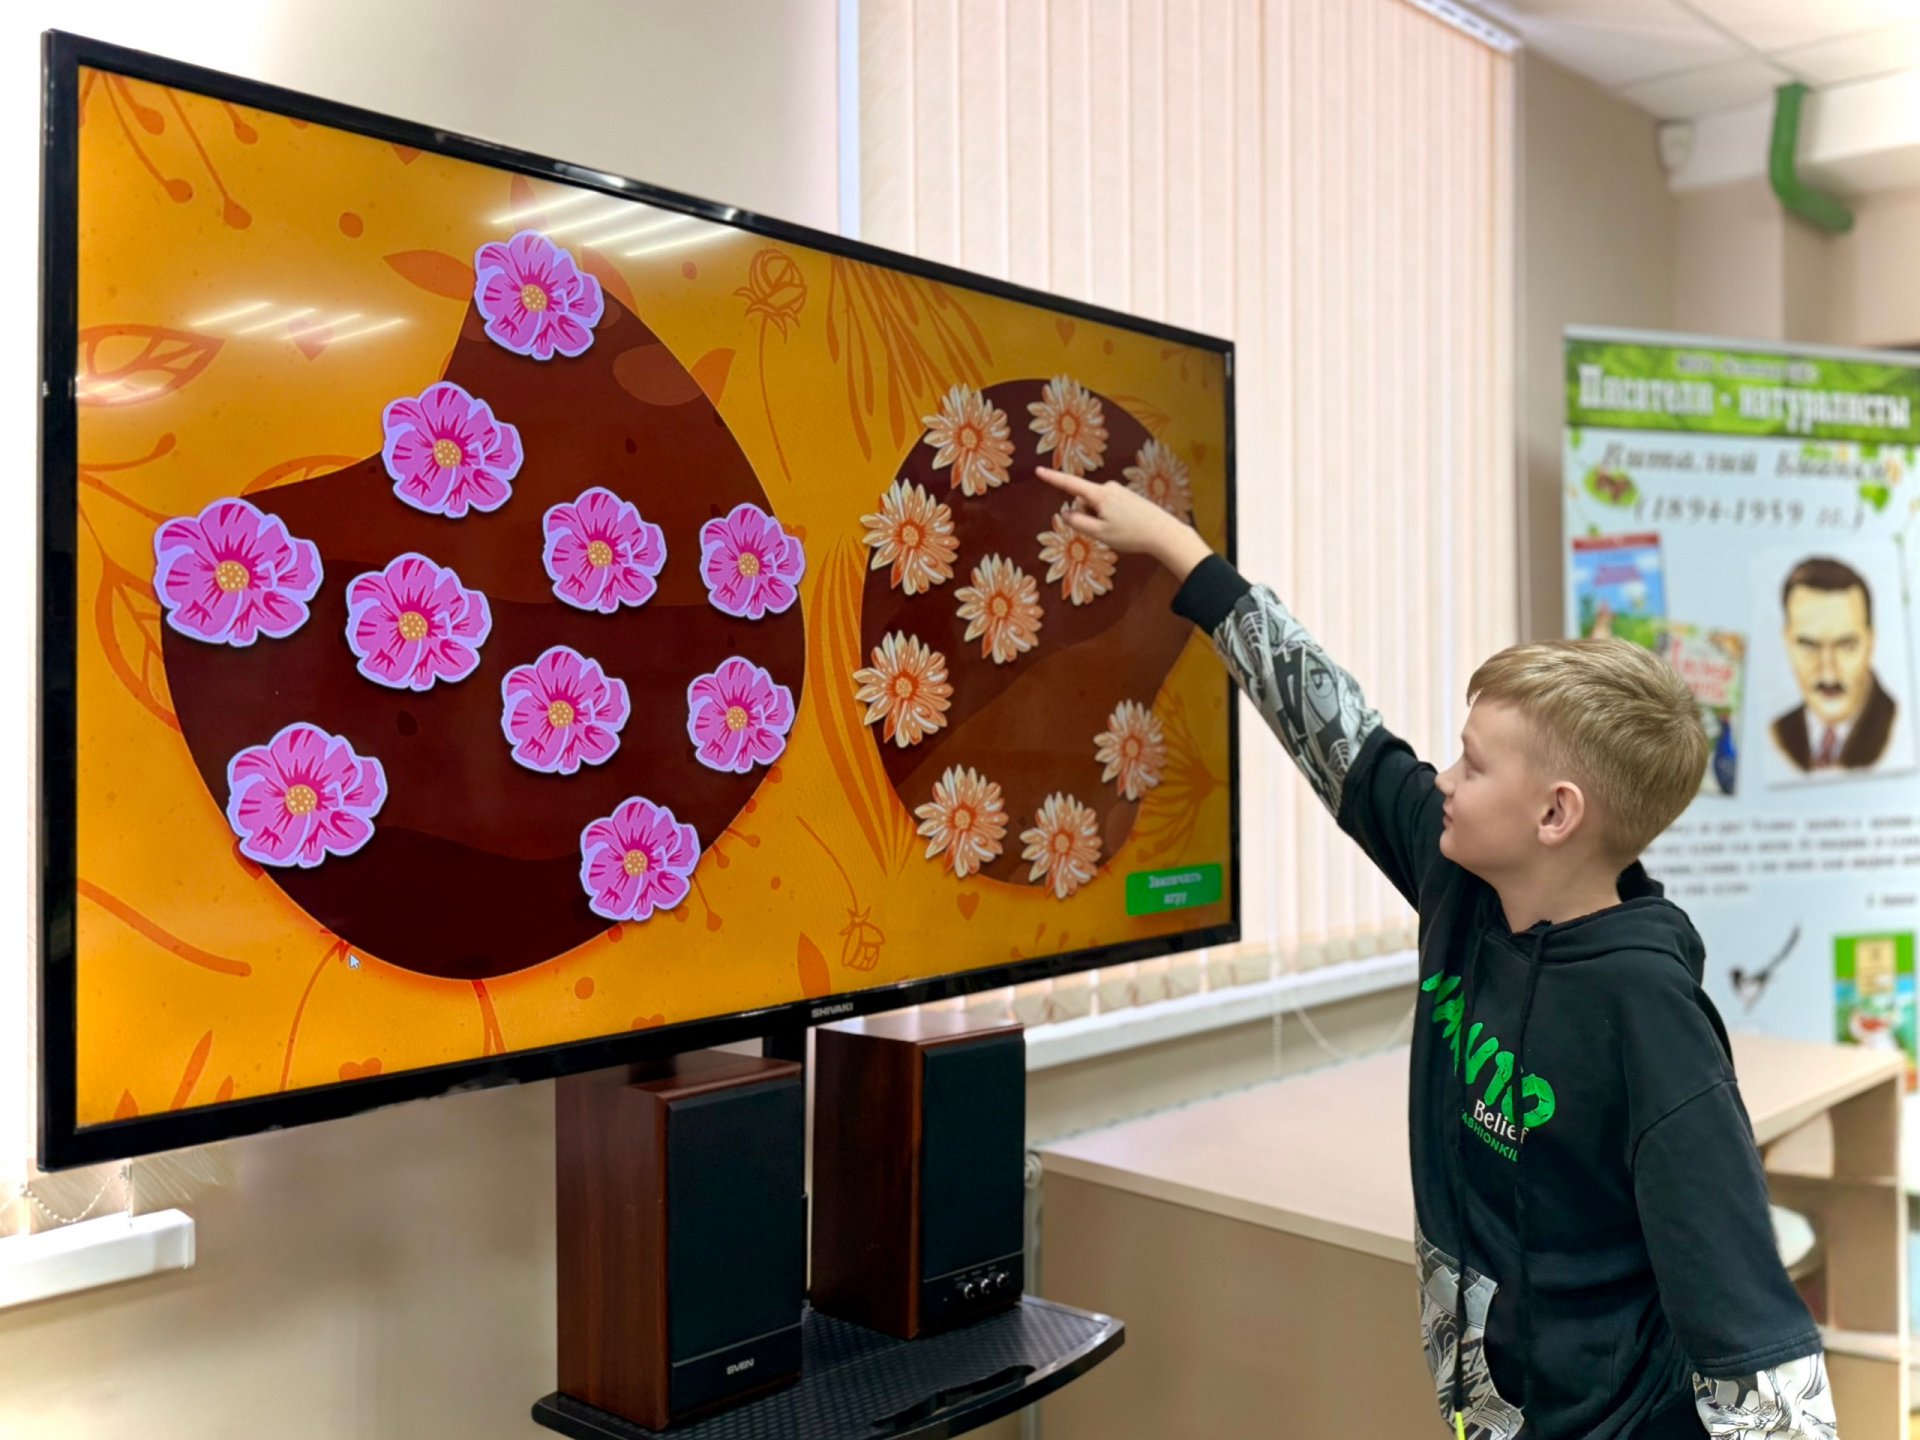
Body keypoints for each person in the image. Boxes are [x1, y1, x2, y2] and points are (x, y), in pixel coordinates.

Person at [1038, 466, 1837, 1440]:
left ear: (1555, 814)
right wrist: (1180, 550)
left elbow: (1758, 1346)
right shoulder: (1463, 879)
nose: (1444, 781)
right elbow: (1335, 730)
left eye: (1474, 763)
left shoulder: (1650, 1015)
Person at [1771, 557, 1897, 774]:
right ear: (1787, 642)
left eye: (1846, 646)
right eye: (1808, 645)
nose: (1828, 673)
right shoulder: (1777, 734)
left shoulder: (1900, 728)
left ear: (1871, 644)